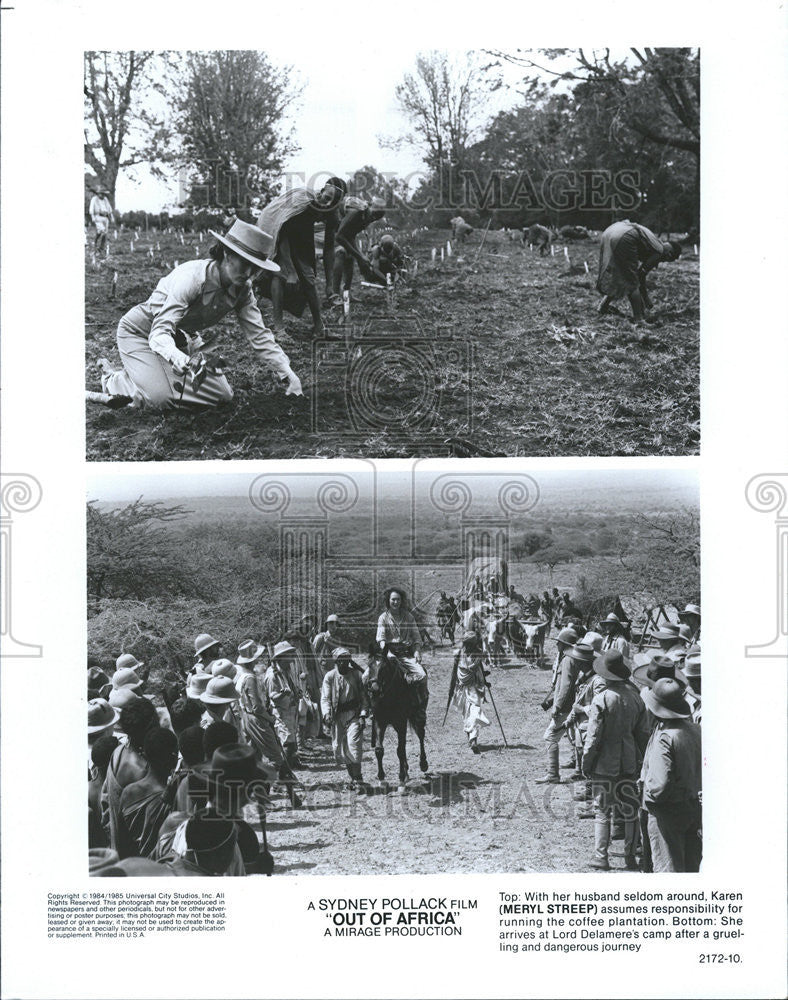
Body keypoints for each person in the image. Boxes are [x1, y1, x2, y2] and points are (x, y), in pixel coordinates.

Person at [91, 220, 302, 410]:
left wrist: (288, 373)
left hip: (182, 336)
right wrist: (179, 359)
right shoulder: (192, 278)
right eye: (244, 263)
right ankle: (115, 380)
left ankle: (148, 376)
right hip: (142, 332)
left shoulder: (243, 290)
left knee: (223, 396)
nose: (248, 274)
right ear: (227, 254)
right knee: (160, 399)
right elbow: (159, 334)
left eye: (255, 268)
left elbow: (259, 335)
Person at [582, 650, 650, 871]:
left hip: (605, 762)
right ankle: (630, 855)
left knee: (602, 810)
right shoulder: (636, 698)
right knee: (630, 809)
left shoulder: (601, 699)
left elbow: (593, 737)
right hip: (629, 761)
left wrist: (587, 763)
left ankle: (601, 856)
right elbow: (643, 735)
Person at [256, 176, 347, 338]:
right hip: (277, 229)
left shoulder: (332, 214)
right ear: (321, 192)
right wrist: (290, 269)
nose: (327, 205)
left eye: (332, 203)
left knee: (309, 277)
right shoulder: (302, 200)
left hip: (301, 234)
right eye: (326, 199)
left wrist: (329, 285)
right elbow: (282, 231)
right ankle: (279, 329)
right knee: (280, 273)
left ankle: (320, 328)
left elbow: (328, 249)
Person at [640, 678, 703, 872]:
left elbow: (659, 785)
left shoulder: (665, 737)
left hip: (667, 813)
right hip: (691, 807)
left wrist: (646, 794)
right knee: (691, 866)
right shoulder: (695, 730)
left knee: (669, 871)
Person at [101, 698, 160, 858]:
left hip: (116, 846)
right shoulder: (145, 771)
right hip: (136, 858)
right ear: (150, 726)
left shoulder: (118, 753)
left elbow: (105, 803)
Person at [596, 220, 682, 323]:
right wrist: (645, 299)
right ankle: (639, 319)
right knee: (632, 282)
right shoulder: (659, 251)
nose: (663, 261)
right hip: (624, 237)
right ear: (669, 255)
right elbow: (639, 276)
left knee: (620, 274)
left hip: (610, 232)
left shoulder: (655, 242)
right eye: (667, 260)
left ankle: (603, 306)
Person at [537, 642, 594, 784]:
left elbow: (566, 686)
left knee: (550, 736)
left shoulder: (569, 660)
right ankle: (579, 770)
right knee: (576, 739)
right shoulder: (585, 669)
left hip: (568, 708)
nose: (556, 644)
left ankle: (553, 774)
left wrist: (557, 706)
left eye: (559, 642)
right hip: (574, 707)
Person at [120, 727, 179, 858]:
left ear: (144, 755)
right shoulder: (171, 799)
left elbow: (122, 839)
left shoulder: (127, 792)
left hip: (134, 863)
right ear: (174, 757)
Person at [320, 647, 370, 791]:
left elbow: (364, 697)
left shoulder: (356, 675)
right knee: (341, 750)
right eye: (341, 660)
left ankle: (358, 778)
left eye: (347, 660)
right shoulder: (330, 677)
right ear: (336, 661)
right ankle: (353, 778)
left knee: (354, 744)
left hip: (354, 714)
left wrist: (362, 715)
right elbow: (325, 698)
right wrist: (327, 714)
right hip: (337, 717)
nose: (344, 663)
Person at [331, 196, 387, 299]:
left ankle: (347, 294)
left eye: (375, 219)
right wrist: (359, 257)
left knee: (350, 257)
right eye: (373, 215)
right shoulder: (356, 212)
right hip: (331, 222)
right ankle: (334, 295)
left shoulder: (367, 217)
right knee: (341, 252)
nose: (372, 219)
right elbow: (339, 236)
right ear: (370, 207)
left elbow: (351, 235)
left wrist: (360, 256)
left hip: (342, 227)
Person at [450, 631, 491, 754]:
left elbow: (480, 669)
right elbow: (456, 672)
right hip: (462, 688)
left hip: (474, 688)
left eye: (470, 644)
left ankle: (473, 740)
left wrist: (484, 680)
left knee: (474, 711)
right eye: (467, 643)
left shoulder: (478, 653)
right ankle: (471, 738)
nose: (468, 646)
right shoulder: (459, 654)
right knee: (466, 714)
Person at [376, 588, 426, 686]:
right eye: (393, 599)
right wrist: (388, 653)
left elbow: (417, 637)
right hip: (388, 656)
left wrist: (417, 651)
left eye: (398, 599)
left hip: (405, 655)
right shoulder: (383, 618)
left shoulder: (409, 617)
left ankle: (420, 699)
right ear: (388, 600)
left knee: (422, 675)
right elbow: (381, 639)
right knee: (367, 677)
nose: (396, 602)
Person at [261, 641, 301, 766]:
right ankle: (286, 765)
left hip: (290, 709)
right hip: (280, 711)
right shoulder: (273, 675)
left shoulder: (285, 670)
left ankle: (293, 760)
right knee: (286, 738)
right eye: (289, 655)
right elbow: (273, 697)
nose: (292, 658)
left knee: (292, 735)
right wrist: (283, 694)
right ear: (282, 657)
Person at [89, 187, 113, 253]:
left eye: (104, 194)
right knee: (101, 231)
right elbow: (91, 209)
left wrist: (111, 216)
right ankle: (95, 242)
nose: (103, 195)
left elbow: (109, 208)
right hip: (98, 217)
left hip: (105, 218)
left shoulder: (105, 199)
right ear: (98, 193)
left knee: (105, 233)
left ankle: (101, 247)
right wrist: (92, 217)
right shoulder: (94, 199)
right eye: (101, 194)